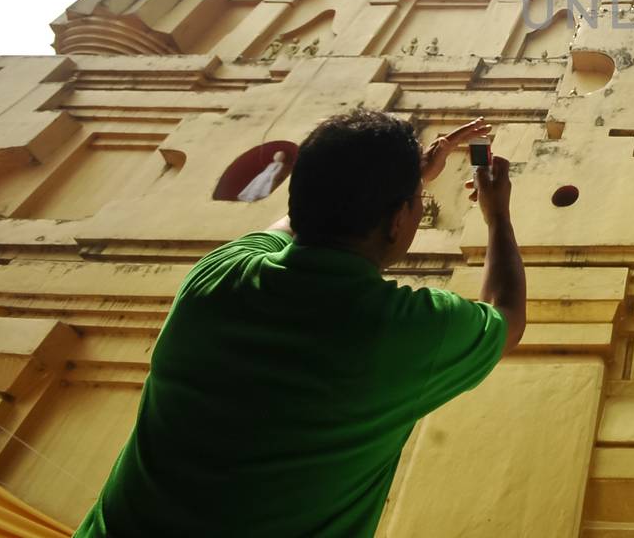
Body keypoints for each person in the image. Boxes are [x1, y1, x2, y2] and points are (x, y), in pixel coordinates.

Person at [74, 109, 525, 537]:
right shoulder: (401, 330)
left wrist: (406, 184)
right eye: (417, 202)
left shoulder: (216, 276)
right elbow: (506, 314)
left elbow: (293, 223)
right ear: (397, 221)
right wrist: (497, 214)